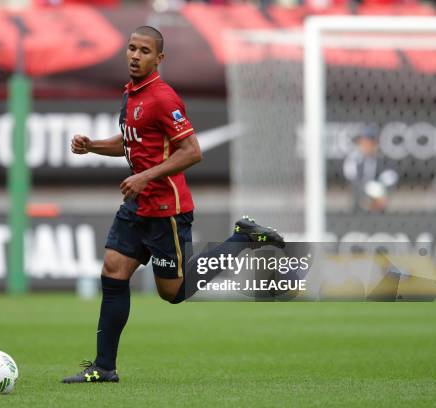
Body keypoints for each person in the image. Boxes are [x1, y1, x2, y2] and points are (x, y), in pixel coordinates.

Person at [62, 26, 283, 384]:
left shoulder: (164, 98)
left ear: (159, 58)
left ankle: (243, 237)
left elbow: (192, 151)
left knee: (174, 292)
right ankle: (104, 368)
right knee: (113, 272)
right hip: (137, 205)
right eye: (131, 48)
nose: (135, 56)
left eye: (144, 51)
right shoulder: (131, 93)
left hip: (166, 207)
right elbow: (131, 141)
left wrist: (146, 176)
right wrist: (93, 147)